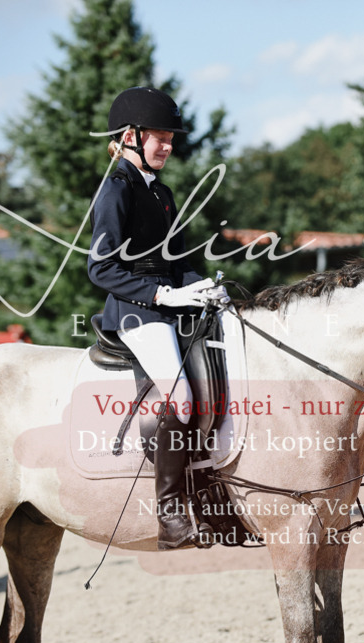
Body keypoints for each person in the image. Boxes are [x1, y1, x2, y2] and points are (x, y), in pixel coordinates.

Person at [88, 86, 227, 549]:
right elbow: (101, 267)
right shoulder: (116, 188)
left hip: (167, 304)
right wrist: (162, 294)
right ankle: (170, 514)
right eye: (158, 138)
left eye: (170, 138)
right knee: (181, 397)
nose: (167, 146)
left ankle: (209, 491)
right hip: (133, 313)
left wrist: (203, 287)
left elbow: (177, 260)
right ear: (130, 136)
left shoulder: (161, 193)